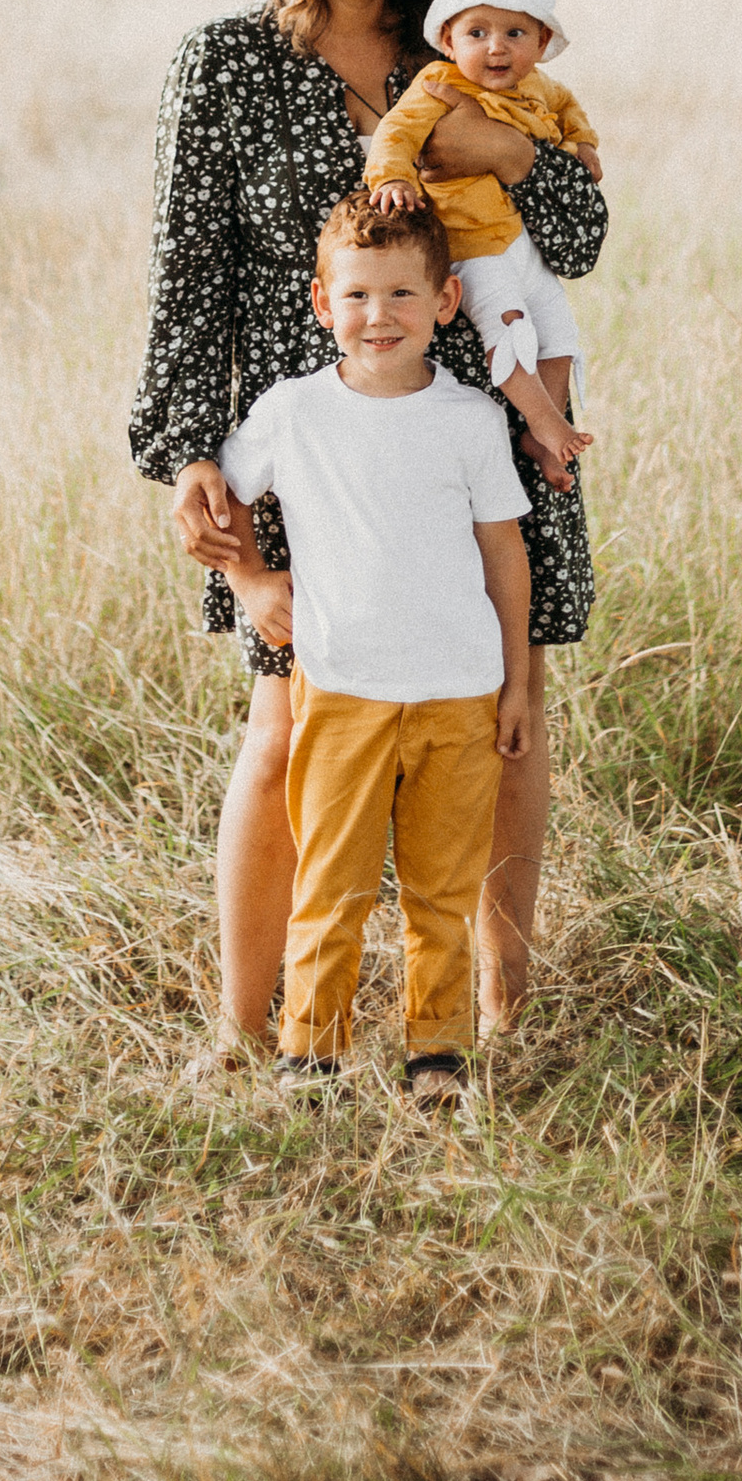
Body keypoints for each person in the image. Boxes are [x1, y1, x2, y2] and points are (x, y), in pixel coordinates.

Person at [130, 0, 607, 1054]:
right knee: (291, 713)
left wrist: (493, 144)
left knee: (503, 700)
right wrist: (186, 453)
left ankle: (494, 1008)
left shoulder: (467, 58)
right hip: (310, 445)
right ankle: (255, 1023)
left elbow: (583, 240)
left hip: (477, 431)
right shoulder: (225, 62)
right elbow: (188, 278)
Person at [193, 190, 531, 1105]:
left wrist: (514, 688)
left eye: (400, 296)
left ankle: (437, 1054)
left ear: (445, 303)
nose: (377, 317)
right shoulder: (293, 412)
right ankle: (313, 1053)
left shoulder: (469, 420)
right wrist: (253, 584)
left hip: (459, 693)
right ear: (321, 303)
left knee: (441, 890)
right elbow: (215, 499)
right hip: (339, 692)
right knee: (333, 884)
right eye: (356, 297)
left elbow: (505, 552)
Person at [363, 0, 599, 490]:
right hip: (471, 247)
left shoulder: (542, 88)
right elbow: (395, 134)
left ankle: (547, 424)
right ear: (448, 41)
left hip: (521, 242)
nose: (496, 47)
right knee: (509, 325)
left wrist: (583, 143)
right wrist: (393, 179)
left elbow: (569, 110)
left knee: (558, 332)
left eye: (515, 34)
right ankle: (541, 421)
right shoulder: (439, 87)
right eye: (477, 33)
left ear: (541, 44)